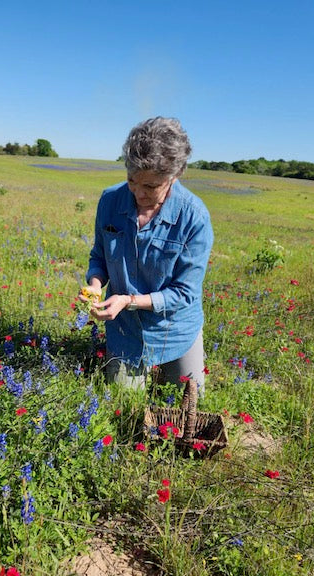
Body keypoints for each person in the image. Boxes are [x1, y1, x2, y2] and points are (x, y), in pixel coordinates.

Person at [80, 116, 214, 391]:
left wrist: (129, 300)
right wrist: (94, 284)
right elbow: (99, 256)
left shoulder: (194, 217)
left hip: (174, 327)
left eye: (151, 186)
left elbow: (185, 293)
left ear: (174, 177)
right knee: (123, 400)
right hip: (125, 328)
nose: (138, 193)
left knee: (190, 398)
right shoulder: (110, 200)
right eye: (132, 181)